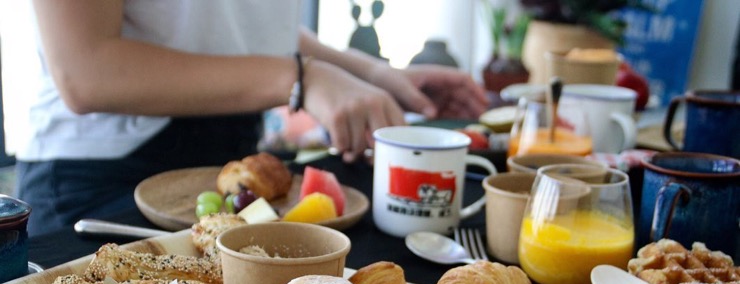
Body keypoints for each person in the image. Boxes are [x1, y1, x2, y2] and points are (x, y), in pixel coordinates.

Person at [12, 0, 488, 235]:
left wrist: (374, 75)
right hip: (97, 182)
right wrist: (301, 79)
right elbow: (86, 72)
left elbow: (241, 21)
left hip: (229, 170)